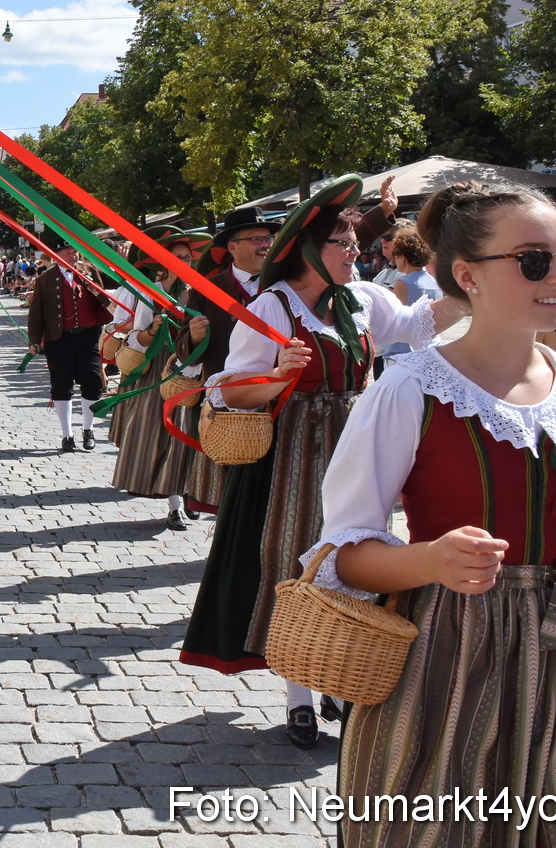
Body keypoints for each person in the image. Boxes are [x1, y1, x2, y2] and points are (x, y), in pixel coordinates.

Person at [305, 181, 556, 846]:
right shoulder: (409, 389)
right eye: (534, 260)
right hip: (441, 654)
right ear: (467, 275)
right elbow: (342, 556)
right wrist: (429, 559)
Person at [178, 175, 467, 748]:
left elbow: (418, 326)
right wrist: (277, 375)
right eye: (344, 243)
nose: (356, 252)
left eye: (357, 243)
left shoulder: (362, 299)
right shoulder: (273, 305)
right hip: (294, 455)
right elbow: (229, 392)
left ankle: (338, 673)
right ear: (310, 249)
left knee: (359, 555)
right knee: (296, 558)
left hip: (359, 444)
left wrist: (473, 281)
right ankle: (299, 696)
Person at [107, 227, 207, 530]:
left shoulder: (198, 290)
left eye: (187, 258)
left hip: (195, 366)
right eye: (178, 258)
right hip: (160, 369)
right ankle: (175, 504)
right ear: (164, 261)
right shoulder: (150, 292)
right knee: (167, 436)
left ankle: (190, 493)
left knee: (196, 434)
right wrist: (153, 330)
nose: (184, 263)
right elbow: (136, 339)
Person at [184, 208, 274, 518]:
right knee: (228, 495)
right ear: (232, 246)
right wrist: (193, 338)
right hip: (226, 410)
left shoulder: (283, 285)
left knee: (269, 492)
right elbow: (183, 354)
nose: (265, 245)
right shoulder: (205, 289)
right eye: (256, 239)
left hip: (275, 402)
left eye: (268, 238)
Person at [26, 242, 110, 452]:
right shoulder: (45, 279)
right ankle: (67, 434)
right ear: (56, 255)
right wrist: (34, 340)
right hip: (59, 339)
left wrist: (93, 287)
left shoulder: (89, 271)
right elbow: (36, 311)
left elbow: (104, 299)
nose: (74, 255)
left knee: (92, 381)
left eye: (75, 252)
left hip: (88, 336)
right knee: (61, 385)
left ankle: (88, 429)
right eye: (68, 252)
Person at [382, 228, 443, 359]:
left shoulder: (403, 283)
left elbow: (394, 319)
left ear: (403, 258)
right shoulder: (435, 283)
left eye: (396, 255)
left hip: (402, 352)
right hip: (431, 349)